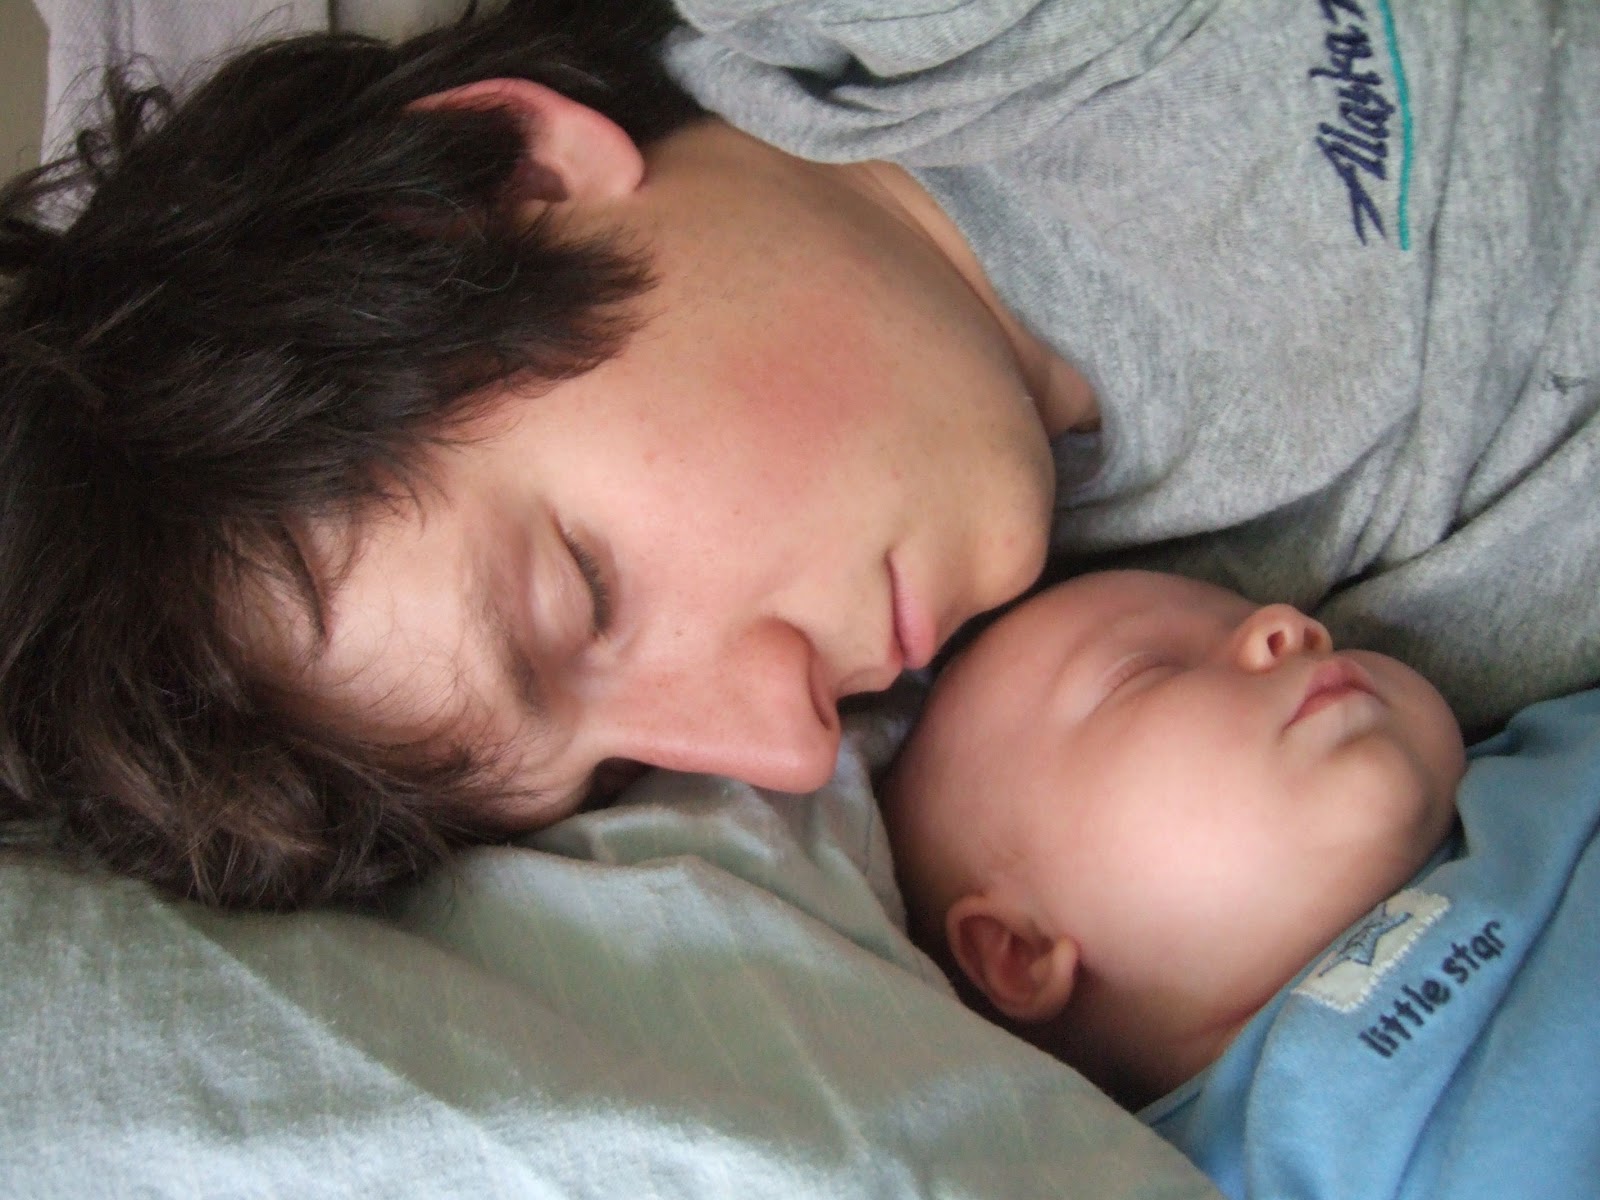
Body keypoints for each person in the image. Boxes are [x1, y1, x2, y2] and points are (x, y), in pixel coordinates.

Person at [2, 0, 1596, 908]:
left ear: (514, 177)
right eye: (619, 775)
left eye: (584, 590)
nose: (779, 745)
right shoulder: (1185, 689)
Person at [881, 569, 1600, 1199]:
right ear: (1020, 950)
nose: (1289, 625)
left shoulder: (1563, 752)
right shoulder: (1184, 1172)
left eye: (1266, 615)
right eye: (1147, 671)